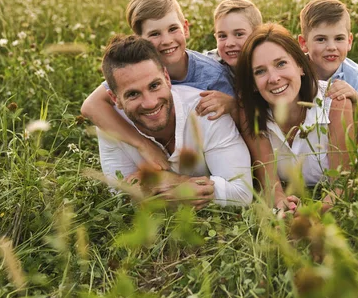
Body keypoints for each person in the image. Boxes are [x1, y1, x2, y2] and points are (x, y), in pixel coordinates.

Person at [81, 0, 234, 171]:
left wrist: (232, 103)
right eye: (155, 34)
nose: (167, 40)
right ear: (140, 41)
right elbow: (90, 106)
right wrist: (143, 145)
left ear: (185, 28)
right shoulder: (138, 73)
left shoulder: (212, 75)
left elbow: (239, 128)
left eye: (172, 29)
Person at [97, 34, 253, 208]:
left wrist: (163, 185)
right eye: (133, 94)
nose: (150, 103)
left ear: (167, 78)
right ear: (114, 98)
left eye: (154, 86)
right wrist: (180, 183)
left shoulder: (207, 111)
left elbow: (242, 192)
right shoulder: (112, 125)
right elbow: (120, 197)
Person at [235, 23, 356, 213]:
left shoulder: (336, 103)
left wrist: (314, 212)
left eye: (281, 63)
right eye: (260, 71)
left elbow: (341, 184)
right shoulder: (250, 112)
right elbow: (271, 187)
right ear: (252, 84)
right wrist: (285, 206)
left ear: (300, 65)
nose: (274, 78)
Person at [298, 0, 358, 139]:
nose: (331, 47)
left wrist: (356, 102)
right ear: (304, 43)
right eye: (321, 39)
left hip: (344, 148)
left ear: (349, 41)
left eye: (339, 38)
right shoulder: (294, 73)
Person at [198, 0, 263, 121]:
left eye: (239, 34)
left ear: (257, 34)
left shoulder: (268, 62)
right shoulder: (209, 64)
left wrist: (234, 105)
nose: (229, 43)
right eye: (222, 36)